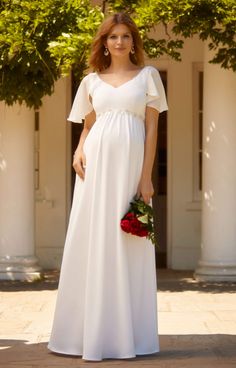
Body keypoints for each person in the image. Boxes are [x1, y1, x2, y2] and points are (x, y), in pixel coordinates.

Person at [48, 12, 168, 361]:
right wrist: (77, 150)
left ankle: (128, 336)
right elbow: (88, 126)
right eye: (112, 37)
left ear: (134, 42)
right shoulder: (91, 81)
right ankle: (86, 334)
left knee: (127, 240)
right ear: (104, 42)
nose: (119, 42)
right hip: (95, 170)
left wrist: (146, 177)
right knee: (94, 239)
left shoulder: (148, 77)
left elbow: (152, 130)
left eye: (125, 36)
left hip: (131, 170)